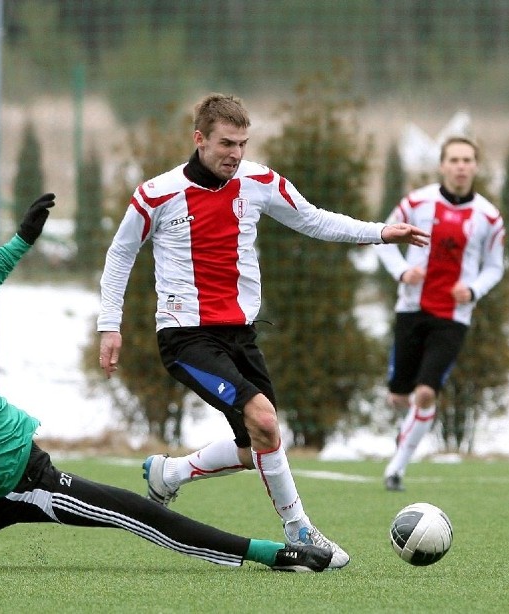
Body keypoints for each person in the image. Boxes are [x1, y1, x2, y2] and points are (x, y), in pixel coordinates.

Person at [0, 193, 332, 574]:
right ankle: (271, 553)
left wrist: (22, 238)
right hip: (32, 483)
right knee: (141, 515)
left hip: (14, 480)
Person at [96, 93, 430, 570]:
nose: (236, 154)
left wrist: (380, 232)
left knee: (255, 444)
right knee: (265, 420)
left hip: (240, 334)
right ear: (199, 139)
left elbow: (313, 219)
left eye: (243, 144)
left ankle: (168, 474)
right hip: (185, 336)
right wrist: (109, 324)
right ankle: (300, 533)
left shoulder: (259, 182)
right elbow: (119, 254)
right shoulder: (156, 194)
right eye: (226, 143)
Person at [375, 136, 505, 491]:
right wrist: (402, 271)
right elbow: (383, 240)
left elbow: (495, 267)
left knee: (427, 392)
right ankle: (409, 430)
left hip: (453, 316)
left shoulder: (489, 217)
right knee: (399, 397)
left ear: (475, 166)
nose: (461, 166)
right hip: (411, 308)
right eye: (454, 160)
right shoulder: (416, 202)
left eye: (467, 160)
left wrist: (474, 289)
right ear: (443, 165)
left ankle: (396, 469)